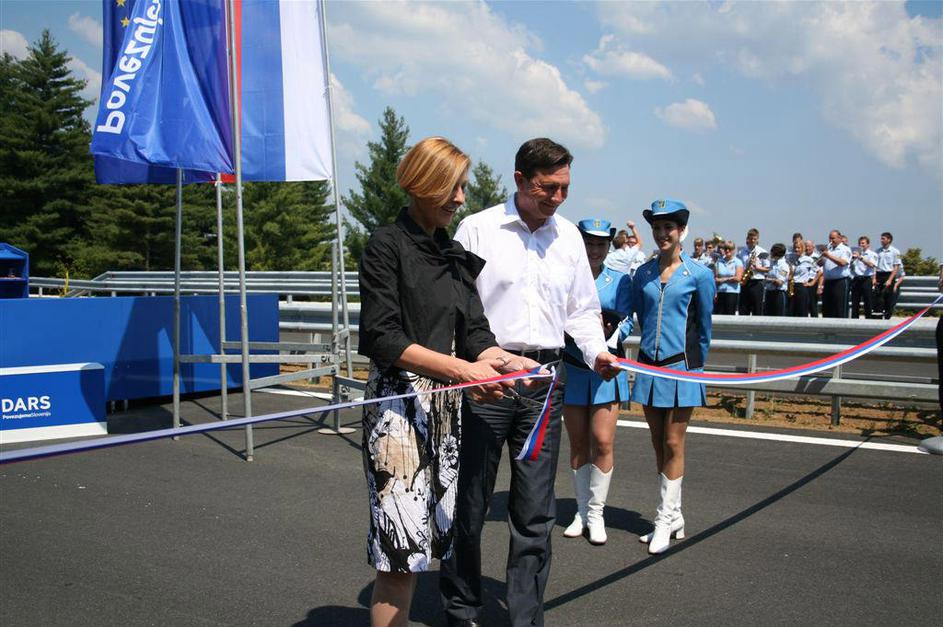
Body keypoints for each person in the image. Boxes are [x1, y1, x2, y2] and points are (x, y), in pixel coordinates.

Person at [441, 138, 619, 627]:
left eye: (565, 188)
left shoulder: (568, 238)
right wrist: (469, 369)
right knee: (469, 502)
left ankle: (525, 617)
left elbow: (582, 310)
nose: (557, 198)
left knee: (535, 512)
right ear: (520, 179)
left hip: (544, 385)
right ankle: (462, 609)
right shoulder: (478, 230)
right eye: (547, 187)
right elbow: (457, 308)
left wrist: (597, 353)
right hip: (486, 383)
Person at [358, 137, 536, 627]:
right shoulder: (386, 245)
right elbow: (382, 336)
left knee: (428, 545)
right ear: (423, 183)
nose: (461, 198)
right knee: (400, 554)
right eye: (452, 187)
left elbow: (476, 334)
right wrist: (461, 371)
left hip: (445, 410)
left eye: (462, 187)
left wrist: (509, 362)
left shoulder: (453, 253)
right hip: (398, 414)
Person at [626, 199, 715, 555]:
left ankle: (663, 519)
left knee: (674, 443)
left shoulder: (699, 274)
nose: (663, 234)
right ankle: (674, 515)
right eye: (657, 228)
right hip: (649, 366)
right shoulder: (643, 274)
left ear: (681, 231)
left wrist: (695, 368)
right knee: (657, 442)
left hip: (682, 368)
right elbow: (640, 317)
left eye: (669, 228)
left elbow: (704, 328)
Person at [561, 218, 632, 546]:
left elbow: (628, 319)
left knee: (602, 441)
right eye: (588, 243)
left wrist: (608, 338)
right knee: (578, 443)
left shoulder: (620, 280)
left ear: (608, 246)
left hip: (606, 369)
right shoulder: (567, 275)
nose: (594, 249)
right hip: (573, 367)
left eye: (601, 244)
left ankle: (596, 512)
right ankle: (581, 510)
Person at [817, 229, 852, 318]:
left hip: (840, 281)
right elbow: (820, 263)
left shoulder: (845, 249)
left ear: (839, 238)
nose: (831, 240)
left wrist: (828, 255)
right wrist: (821, 258)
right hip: (828, 281)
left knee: (840, 308)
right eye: (830, 238)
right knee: (827, 308)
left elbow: (843, 263)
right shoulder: (829, 249)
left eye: (833, 238)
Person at [737, 228, 769, 315]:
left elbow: (768, 268)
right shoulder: (741, 252)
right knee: (743, 309)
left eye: (755, 239)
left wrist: (757, 268)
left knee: (757, 309)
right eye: (751, 239)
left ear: (757, 239)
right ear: (747, 239)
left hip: (757, 282)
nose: (753, 241)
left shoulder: (762, 252)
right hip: (744, 282)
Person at [874, 232, 902, 319]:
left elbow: (896, 266)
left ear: (889, 240)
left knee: (888, 297)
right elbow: (875, 266)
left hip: (889, 274)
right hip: (879, 274)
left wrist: (890, 280)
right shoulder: (877, 251)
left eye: (883, 239)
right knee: (878, 296)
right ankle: (878, 316)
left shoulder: (895, 252)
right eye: (881, 238)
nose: (881, 240)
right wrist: (874, 278)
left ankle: (887, 316)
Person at [850, 236, 878, 319]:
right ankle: (854, 319)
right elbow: (851, 267)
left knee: (867, 301)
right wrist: (852, 259)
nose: (861, 245)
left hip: (866, 279)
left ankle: (868, 319)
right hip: (856, 279)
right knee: (855, 301)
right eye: (859, 243)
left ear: (868, 244)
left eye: (863, 243)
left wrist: (860, 257)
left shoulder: (872, 254)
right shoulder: (855, 254)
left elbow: (871, 265)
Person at [789, 240, 818, 317]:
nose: (796, 249)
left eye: (798, 248)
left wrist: (811, 283)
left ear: (803, 248)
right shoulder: (791, 258)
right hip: (792, 286)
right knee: (791, 311)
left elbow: (819, 271)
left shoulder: (808, 259)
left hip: (801, 286)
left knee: (802, 311)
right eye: (795, 248)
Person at [713, 240, 743, 315]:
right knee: (719, 315)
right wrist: (715, 292)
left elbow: (738, 278)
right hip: (720, 292)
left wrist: (723, 279)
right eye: (726, 248)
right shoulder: (718, 262)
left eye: (730, 249)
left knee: (729, 315)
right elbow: (715, 278)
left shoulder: (738, 262)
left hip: (732, 292)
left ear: (733, 250)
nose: (727, 250)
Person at [763, 243, 789, 316]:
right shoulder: (772, 263)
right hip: (769, 292)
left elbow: (780, 282)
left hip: (779, 294)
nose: (770, 253)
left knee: (779, 316)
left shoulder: (784, 266)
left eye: (772, 251)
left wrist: (769, 280)